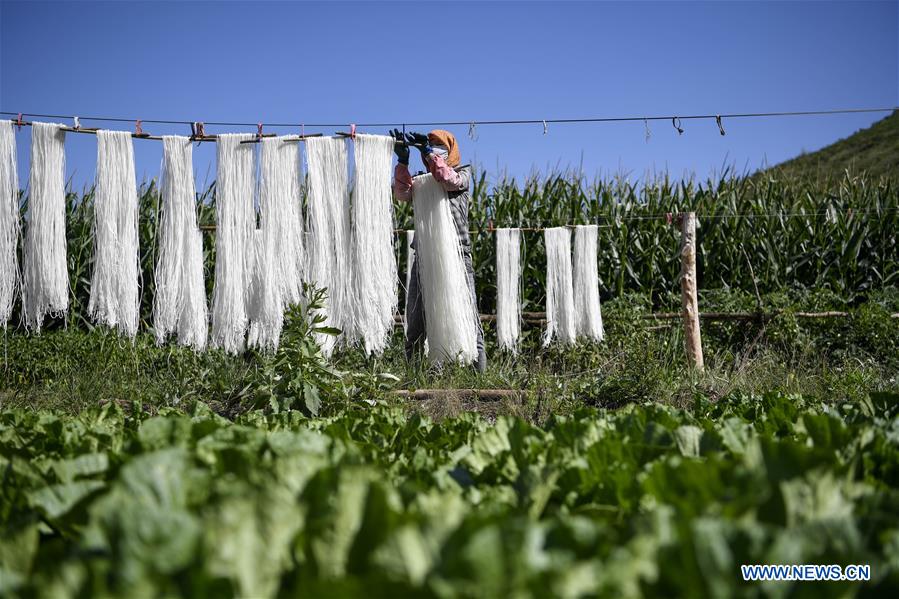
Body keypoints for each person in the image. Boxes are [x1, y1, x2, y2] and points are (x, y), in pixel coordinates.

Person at [391, 129, 486, 373]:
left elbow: (447, 179)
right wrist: (402, 162)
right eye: (430, 143)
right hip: (425, 257)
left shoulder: (462, 174)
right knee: (416, 319)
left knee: (467, 312)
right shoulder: (422, 181)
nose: (433, 147)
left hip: (457, 255)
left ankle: (478, 376)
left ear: (450, 149)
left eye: (438, 145)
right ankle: (414, 376)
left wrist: (428, 154)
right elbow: (402, 194)